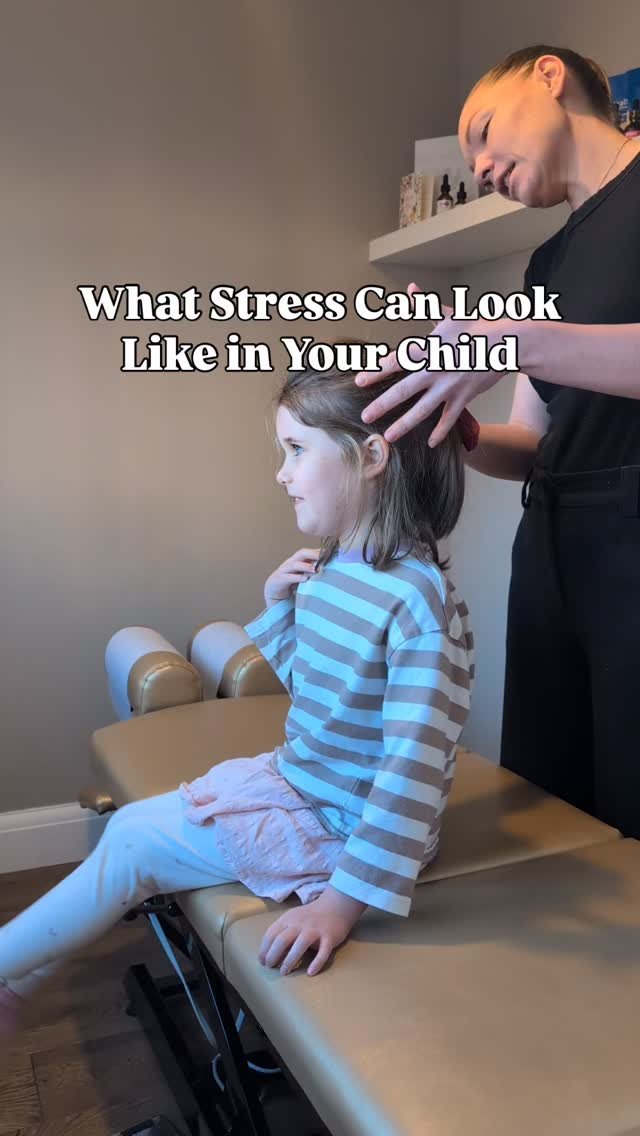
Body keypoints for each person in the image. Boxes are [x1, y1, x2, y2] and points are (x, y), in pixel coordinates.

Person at [0, 363, 474, 1036]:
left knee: (132, 842)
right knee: (132, 831)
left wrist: (340, 905)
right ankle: (18, 979)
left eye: (297, 449)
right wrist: (280, 605)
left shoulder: (415, 599)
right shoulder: (337, 564)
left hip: (344, 827)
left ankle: (8, 972)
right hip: (302, 782)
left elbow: (412, 773)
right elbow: (321, 693)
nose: (282, 473)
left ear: (372, 456)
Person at [354, 44, 640, 838]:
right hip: (551, 543)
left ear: (548, 76)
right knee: (552, 806)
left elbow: (532, 349)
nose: (479, 167)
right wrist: (453, 423)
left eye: (481, 132)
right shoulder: (548, 263)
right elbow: (535, 445)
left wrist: (514, 340)